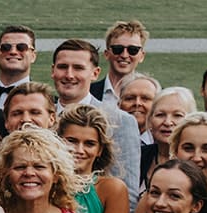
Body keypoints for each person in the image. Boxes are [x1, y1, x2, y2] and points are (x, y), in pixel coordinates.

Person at [49, 38, 142, 198]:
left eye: (78, 68)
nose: (69, 75)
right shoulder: (43, 116)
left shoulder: (120, 121)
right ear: (53, 71)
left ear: (95, 73)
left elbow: (128, 192)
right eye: (63, 67)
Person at [60, 105, 129, 213]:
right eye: (72, 141)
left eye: (89, 144)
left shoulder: (111, 189)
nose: (79, 150)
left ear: (99, 151)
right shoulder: (45, 185)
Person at [141, 86, 195, 189]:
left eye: (177, 115)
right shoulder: (139, 156)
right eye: (160, 115)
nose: (167, 122)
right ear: (150, 121)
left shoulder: (195, 160)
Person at [93, 20, 148, 108]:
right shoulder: (88, 92)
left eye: (133, 50)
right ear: (106, 54)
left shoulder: (155, 95)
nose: (124, 55)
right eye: (117, 49)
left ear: (142, 56)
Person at [0, 25, 37, 108]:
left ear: (33, 56)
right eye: (6, 47)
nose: (13, 52)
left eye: (21, 47)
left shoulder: (46, 100)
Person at [118, 73, 161, 142]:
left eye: (145, 98)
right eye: (130, 98)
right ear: (119, 104)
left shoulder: (164, 142)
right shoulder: (105, 139)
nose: (137, 103)